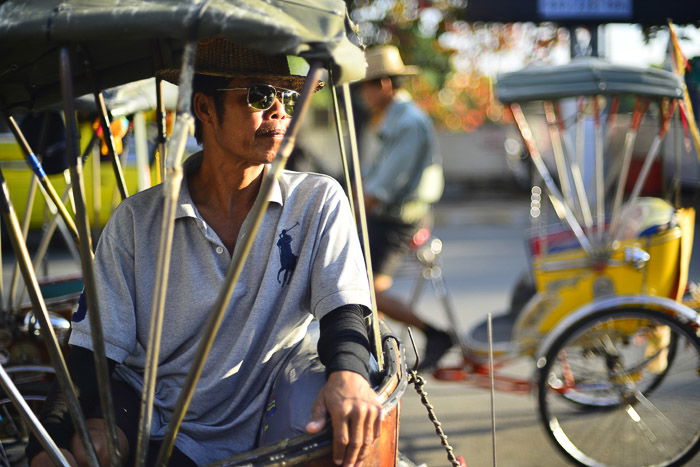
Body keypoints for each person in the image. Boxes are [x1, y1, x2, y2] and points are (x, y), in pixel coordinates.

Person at [28, 37, 381, 466]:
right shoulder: (137, 220)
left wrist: (349, 375)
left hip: (263, 409)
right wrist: (46, 444)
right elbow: (92, 354)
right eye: (259, 95)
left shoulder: (316, 200)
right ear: (205, 108)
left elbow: (344, 311)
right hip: (148, 413)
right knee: (88, 448)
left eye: (288, 98)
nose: (279, 111)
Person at [356, 45, 452, 371]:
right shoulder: (391, 118)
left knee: (364, 291)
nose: (362, 95)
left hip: (399, 220)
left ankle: (435, 334)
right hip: (386, 216)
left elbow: (381, 188)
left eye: (364, 87)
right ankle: (374, 351)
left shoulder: (407, 122)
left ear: (383, 85)